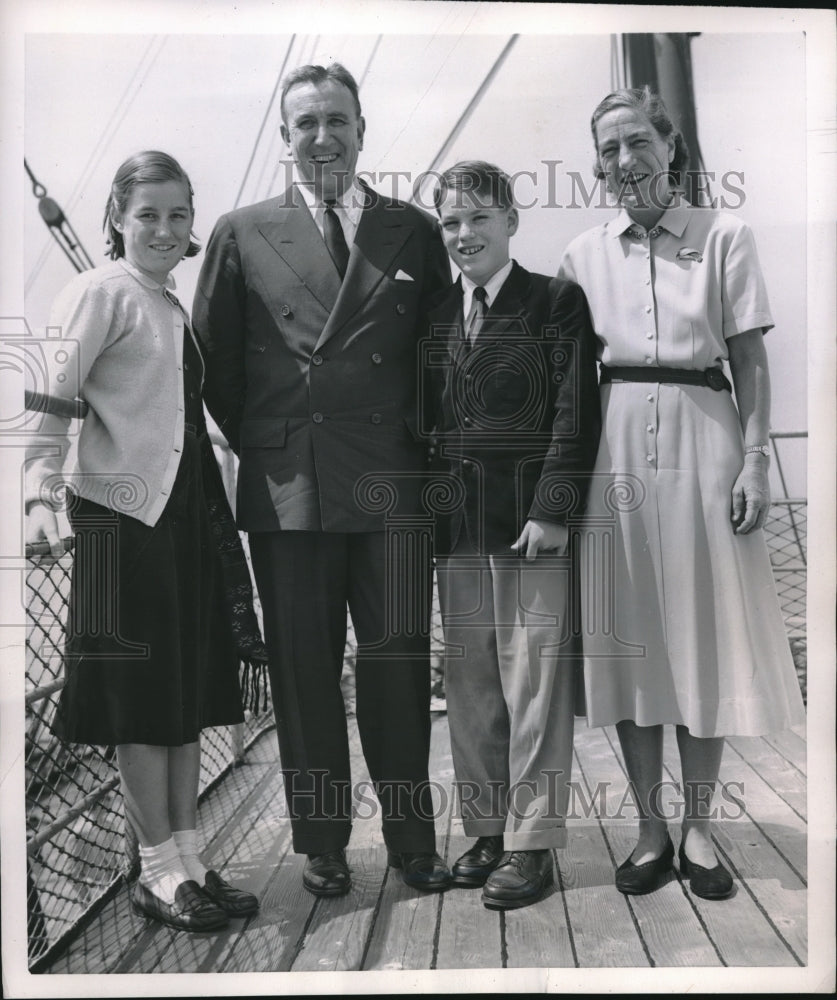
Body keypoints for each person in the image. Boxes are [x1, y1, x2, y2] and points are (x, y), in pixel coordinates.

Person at [192, 63, 453, 896]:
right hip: (288, 489)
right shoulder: (239, 231)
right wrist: (277, 446)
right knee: (303, 673)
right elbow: (215, 370)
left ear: (362, 128)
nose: (323, 137)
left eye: (336, 119)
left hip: (392, 486)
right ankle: (323, 843)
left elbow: (436, 363)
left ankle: (413, 839)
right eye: (305, 123)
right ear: (283, 138)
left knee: (398, 664)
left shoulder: (411, 229)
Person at [558, 88, 806, 900]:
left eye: (637, 142)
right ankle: (648, 828)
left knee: (704, 634)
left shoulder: (724, 236)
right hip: (615, 448)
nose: (623, 162)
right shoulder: (580, 256)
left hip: (707, 435)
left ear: (670, 148)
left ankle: (699, 828)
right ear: (595, 164)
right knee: (629, 635)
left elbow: (748, 360)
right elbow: (563, 383)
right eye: (607, 150)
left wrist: (756, 460)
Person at [25, 151, 260, 932]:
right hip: (117, 526)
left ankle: (189, 855)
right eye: (147, 214)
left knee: (184, 695)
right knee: (136, 702)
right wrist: (35, 489)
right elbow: (50, 402)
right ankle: (155, 868)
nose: (163, 229)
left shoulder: (169, 305)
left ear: (192, 226)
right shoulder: (101, 292)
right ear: (118, 221)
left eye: (178, 215)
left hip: (182, 523)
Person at [424, 162, 600, 909]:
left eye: (478, 219)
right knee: (470, 689)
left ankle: (532, 847)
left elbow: (572, 407)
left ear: (510, 222)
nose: (464, 235)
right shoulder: (435, 316)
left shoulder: (554, 301)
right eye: (451, 223)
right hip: (456, 527)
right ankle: (487, 830)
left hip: (529, 527)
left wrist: (554, 507)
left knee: (533, 687)